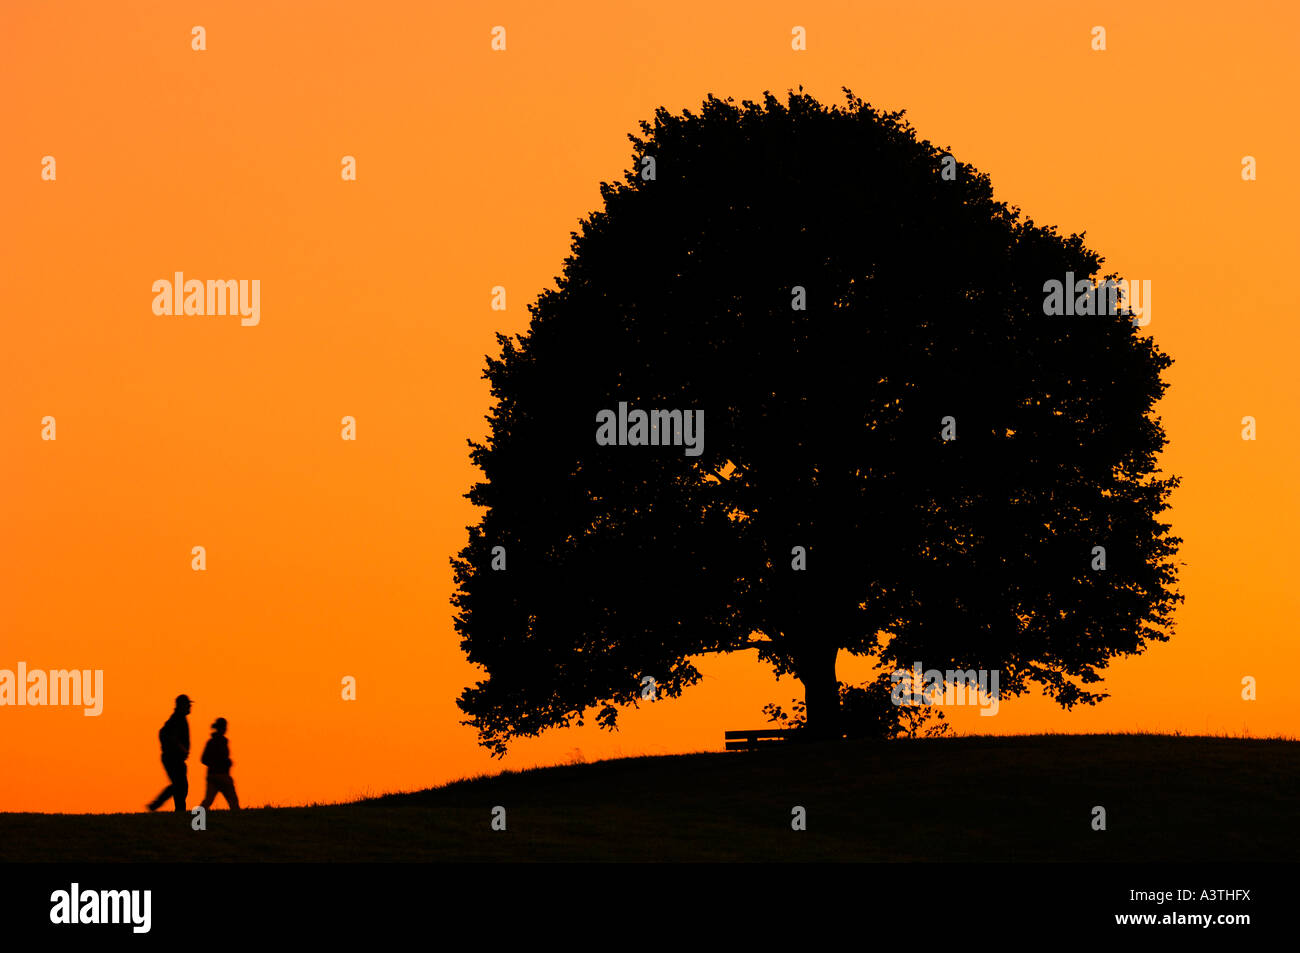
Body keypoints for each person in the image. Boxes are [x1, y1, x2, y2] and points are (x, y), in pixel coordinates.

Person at [146, 694, 191, 812]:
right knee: (179, 785)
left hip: (175, 758)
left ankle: (179, 810)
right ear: (181, 705)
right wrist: (180, 747)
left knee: (181, 786)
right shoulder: (177, 719)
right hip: (173, 758)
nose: (190, 707)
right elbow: (166, 734)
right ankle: (157, 804)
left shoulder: (179, 718)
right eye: (188, 704)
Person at [199, 717, 241, 810]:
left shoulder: (212, 742)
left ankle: (195, 819)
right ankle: (238, 819)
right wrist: (223, 763)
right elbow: (204, 759)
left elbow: (203, 759)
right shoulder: (221, 742)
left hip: (212, 775)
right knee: (233, 801)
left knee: (208, 801)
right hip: (222, 775)